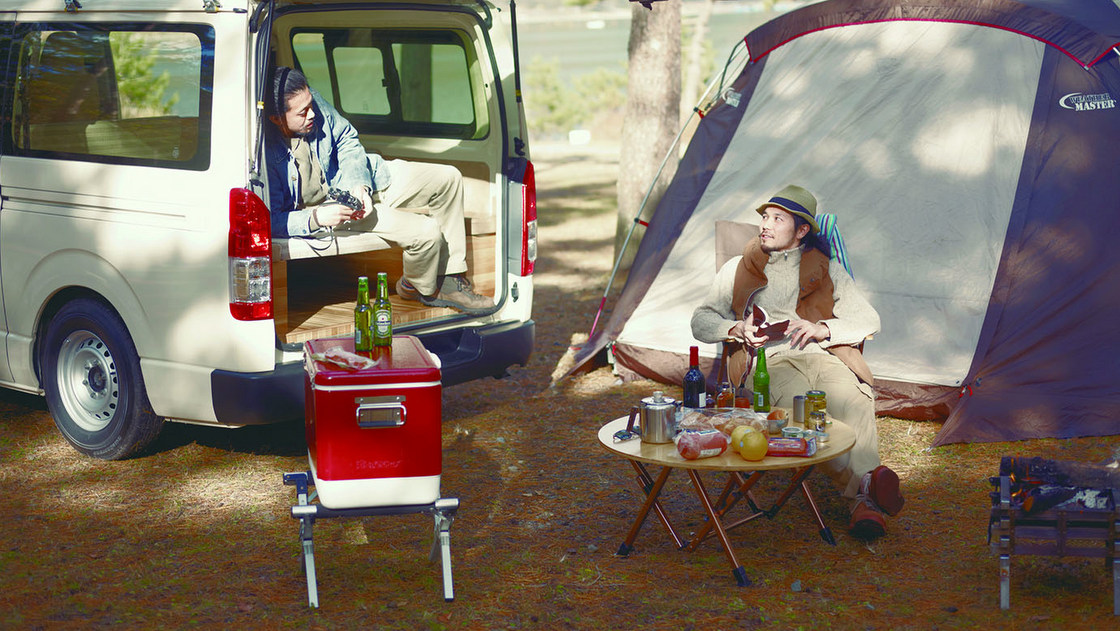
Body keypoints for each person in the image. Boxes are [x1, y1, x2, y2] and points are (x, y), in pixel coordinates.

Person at [690, 184, 904, 538]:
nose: (766, 225)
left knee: (854, 399)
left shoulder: (827, 269)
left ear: (802, 230)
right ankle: (866, 495)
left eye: (778, 219)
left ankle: (865, 493)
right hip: (770, 362)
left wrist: (823, 328)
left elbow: (869, 319)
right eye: (764, 217)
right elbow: (701, 320)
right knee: (806, 412)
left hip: (823, 356)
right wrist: (736, 328)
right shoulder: (739, 268)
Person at [264, 66, 493, 315]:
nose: (311, 114)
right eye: (302, 112)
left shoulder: (312, 102)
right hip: (332, 211)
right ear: (276, 118)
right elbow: (272, 219)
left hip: (366, 176)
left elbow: (347, 139)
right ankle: (419, 285)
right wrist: (316, 218)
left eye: (311, 104)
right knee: (427, 233)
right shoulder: (260, 151)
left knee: (449, 178)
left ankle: (450, 279)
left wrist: (359, 184)